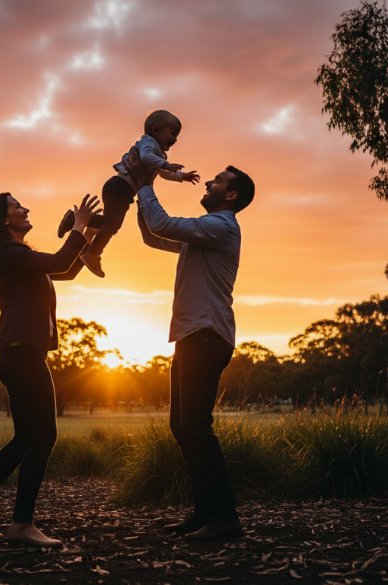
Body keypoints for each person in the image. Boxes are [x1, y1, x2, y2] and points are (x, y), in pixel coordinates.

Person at [0, 191, 100, 547]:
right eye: (17, 206)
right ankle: (21, 524)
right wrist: (79, 227)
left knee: (25, 438)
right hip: (20, 355)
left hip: (19, 354)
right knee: (43, 437)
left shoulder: (18, 257)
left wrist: (87, 232)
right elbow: (60, 260)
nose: (26, 209)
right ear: (4, 219)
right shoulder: (10, 254)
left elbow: (67, 268)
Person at [129, 150, 255, 540]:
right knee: (182, 427)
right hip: (190, 336)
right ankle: (205, 512)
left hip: (206, 335)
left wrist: (145, 184)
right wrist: (138, 194)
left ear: (230, 195)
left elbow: (162, 222)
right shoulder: (203, 233)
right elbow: (153, 235)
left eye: (219, 180)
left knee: (196, 428)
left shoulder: (221, 227)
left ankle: (226, 519)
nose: (210, 182)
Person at [57, 109, 200, 278]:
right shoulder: (148, 143)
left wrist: (182, 176)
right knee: (113, 224)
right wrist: (165, 164)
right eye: (172, 133)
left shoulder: (159, 153)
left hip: (122, 190)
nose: (175, 139)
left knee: (110, 223)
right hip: (119, 187)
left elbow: (163, 173)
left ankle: (75, 222)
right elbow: (146, 157)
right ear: (155, 130)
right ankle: (92, 254)